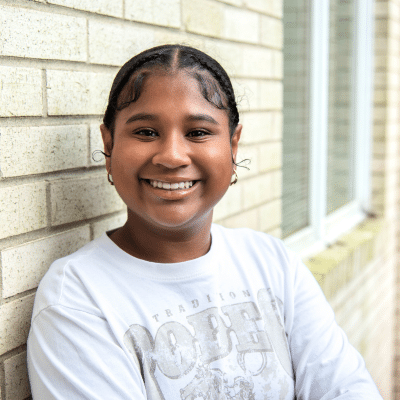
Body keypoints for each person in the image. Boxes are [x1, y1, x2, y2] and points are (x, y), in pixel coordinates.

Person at [27, 44, 382, 400]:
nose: (172, 156)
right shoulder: (76, 297)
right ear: (109, 147)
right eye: (146, 132)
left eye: (197, 132)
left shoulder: (272, 262)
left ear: (233, 145)